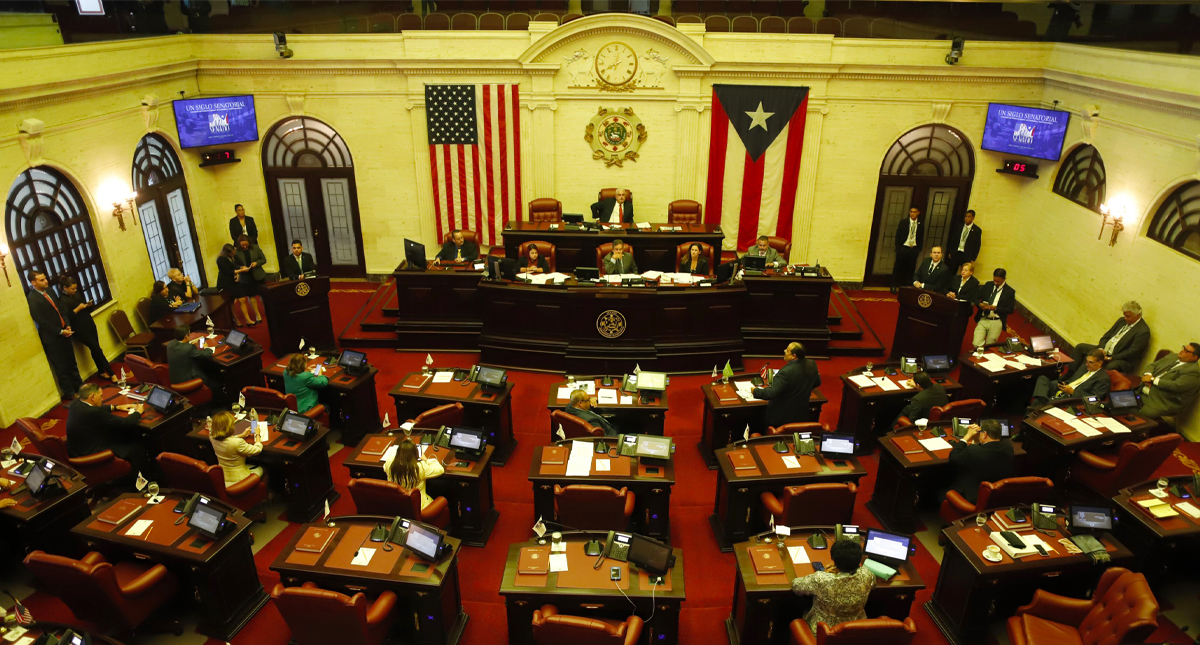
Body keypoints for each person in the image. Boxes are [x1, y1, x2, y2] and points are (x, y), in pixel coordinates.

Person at [790, 538, 877, 633]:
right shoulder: (867, 574)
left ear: (834, 559)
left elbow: (796, 586)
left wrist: (825, 573)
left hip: (825, 631)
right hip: (857, 630)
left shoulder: (821, 579)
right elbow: (873, 585)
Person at [66, 383, 150, 476]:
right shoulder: (94, 413)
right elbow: (127, 423)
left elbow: (97, 408)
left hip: (77, 450)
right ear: (92, 396)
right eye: (101, 396)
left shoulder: (75, 404)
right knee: (136, 448)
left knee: (121, 433)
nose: (102, 399)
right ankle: (141, 481)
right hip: (90, 452)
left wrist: (116, 407)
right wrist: (138, 411)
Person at [26, 271, 83, 396]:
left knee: (71, 362)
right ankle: (70, 392)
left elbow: (60, 310)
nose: (46, 281)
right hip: (52, 338)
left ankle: (80, 387)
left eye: (45, 278)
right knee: (61, 367)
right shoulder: (32, 298)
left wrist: (67, 324)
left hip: (65, 331)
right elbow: (41, 320)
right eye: (42, 280)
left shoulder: (50, 291)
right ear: (33, 283)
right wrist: (60, 331)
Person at [944, 419, 1015, 504]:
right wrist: (977, 440)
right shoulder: (1008, 448)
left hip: (973, 497)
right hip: (996, 496)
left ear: (984, 434)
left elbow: (953, 458)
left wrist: (967, 436)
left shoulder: (974, 451)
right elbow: (986, 449)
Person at [1069, 302, 1151, 374]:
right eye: (1124, 315)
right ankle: (1069, 373)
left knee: (1109, 366)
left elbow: (1132, 353)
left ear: (1137, 315)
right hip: (1105, 351)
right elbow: (1106, 336)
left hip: (1120, 359)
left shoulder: (1143, 331)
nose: (1125, 318)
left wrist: (1111, 358)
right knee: (1081, 347)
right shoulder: (1122, 321)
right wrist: (1101, 348)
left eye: (1128, 316)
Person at [752, 342, 821, 427]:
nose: (784, 351)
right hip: (801, 415)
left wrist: (755, 391)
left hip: (781, 419)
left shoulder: (786, 372)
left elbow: (771, 393)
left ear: (794, 356)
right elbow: (817, 382)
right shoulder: (812, 364)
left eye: (787, 350)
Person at [58, 276, 113, 382]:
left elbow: (86, 309)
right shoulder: (62, 300)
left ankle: (101, 371)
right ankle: (111, 372)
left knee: (95, 349)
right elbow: (66, 317)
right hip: (80, 329)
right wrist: (78, 309)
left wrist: (88, 305)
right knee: (97, 349)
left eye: (75, 288)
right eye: (72, 289)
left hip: (89, 323)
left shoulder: (77, 294)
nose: (74, 291)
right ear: (65, 288)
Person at [1138, 342, 1200, 420]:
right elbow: (1152, 365)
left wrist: (1152, 380)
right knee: (1125, 400)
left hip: (1165, 400)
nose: (1182, 351)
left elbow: (1176, 386)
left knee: (1141, 414)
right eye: (1184, 348)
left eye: (1186, 351)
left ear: (1194, 357)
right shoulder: (1173, 357)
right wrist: (1148, 375)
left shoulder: (1193, 372)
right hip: (1148, 388)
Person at [1030, 349, 1110, 408]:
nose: (1087, 364)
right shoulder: (1084, 368)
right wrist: (1064, 384)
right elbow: (1072, 380)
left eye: (1091, 362)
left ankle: (1042, 403)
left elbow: (1093, 399)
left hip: (1071, 398)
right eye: (1087, 361)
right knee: (1042, 378)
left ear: (1100, 362)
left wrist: (1073, 392)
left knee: (1037, 402)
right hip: (1063, 389)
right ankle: (1043, 401)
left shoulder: (1103, 379)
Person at [382, 439, 446, 507]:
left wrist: (401, 457)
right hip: (418, 507)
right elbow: (440, 469)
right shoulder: (419, 467)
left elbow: (384, 467)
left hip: (396, 504)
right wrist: (426, 460)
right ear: (416, 454)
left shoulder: (390, 464)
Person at [208, 410, 264, 488]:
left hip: (222, 474)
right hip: (239, 478)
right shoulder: (237, 443)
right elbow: (257, 450)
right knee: (263, 468)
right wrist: (258, 434)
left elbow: (226, 441)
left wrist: (241, 435)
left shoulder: (211, 436)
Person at [166, 324, 218, 393]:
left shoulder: (170, 344)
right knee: (216, 381)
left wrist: (190, 344)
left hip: (175, 381)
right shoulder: (188, 348)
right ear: (186, 336)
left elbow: (182, 349)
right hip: (188, 382)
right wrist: (206, 347)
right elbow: (208, 353)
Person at [972, 268, 1015, 347]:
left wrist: (996, 308)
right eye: (994, 280)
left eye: (998, 281)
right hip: (984, 318)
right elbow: (976, 297)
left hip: (996, 321)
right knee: (976, 343)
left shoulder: (1009, 292)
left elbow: (1010, 310)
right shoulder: (988, 285)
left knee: (990, 346)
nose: (995, 282)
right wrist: (979, 304)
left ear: (1004, 279)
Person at [216, 243, 254, 327]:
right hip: (226, 283)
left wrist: (241, 267)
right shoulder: (221, 260)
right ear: (227, 252)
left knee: (242, 299)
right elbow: (228, 271)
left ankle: (248, 319)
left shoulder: (233, 256)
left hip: (235, 281)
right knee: (231, 301)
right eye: (232, 252)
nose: (234, 253)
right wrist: (241, 271)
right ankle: (236, 319)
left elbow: (237, 265)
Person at [234, 235, 266, 326]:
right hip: (246, 276)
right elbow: (234, 265)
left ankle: (266, 310)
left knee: (262, 294)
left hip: (258, 274)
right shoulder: (236, 252)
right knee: (251, 295)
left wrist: (257, 263)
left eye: (246, 244)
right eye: (243, 245)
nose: (245, 246)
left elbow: (264, 259)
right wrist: (241, 267)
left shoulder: (255, 248)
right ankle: (257, 314)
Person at [891, 206, 923, 293]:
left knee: (911, 268)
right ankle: (894, 285)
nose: (912, 214)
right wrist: (898, 248)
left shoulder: (920, 223)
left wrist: (919, 249)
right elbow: (898, 235)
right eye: (911, 212)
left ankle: (907, 286)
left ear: (918, 213)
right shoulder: (904, 222)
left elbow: (921, 237)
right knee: (898, 267)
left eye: (914, 212)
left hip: (913, 249)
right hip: (903, 248)